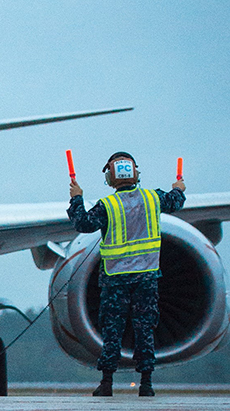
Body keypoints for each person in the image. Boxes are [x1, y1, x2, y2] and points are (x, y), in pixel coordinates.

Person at [67, 151, 185, 397]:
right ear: (136, 174)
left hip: (116, 279)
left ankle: (106, 383)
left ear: (110, 178)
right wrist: (179, 188)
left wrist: (77, 198)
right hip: (146, 277)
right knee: (145, 329)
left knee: (112, 330)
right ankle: (146, 384)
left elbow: (83, 224)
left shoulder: (107, 206)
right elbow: (175, 202)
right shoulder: (153, 198)